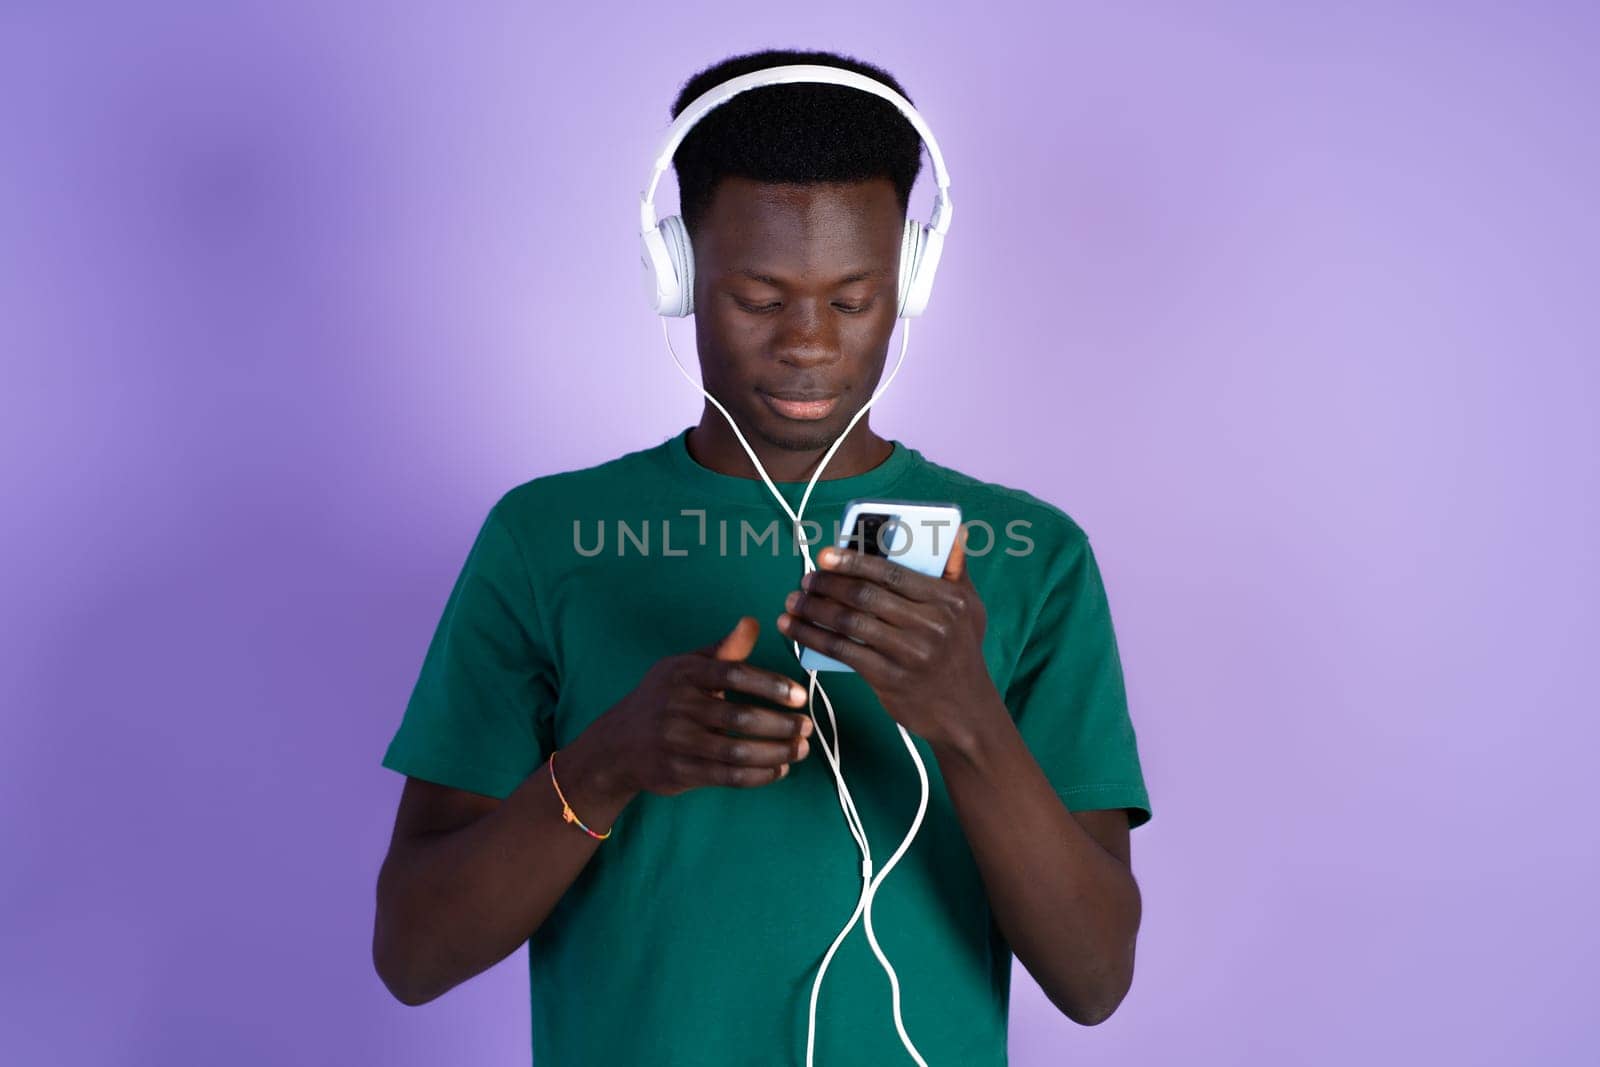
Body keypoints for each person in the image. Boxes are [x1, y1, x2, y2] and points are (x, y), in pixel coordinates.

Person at [372, 47, 1153, 1067]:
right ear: (678, 274)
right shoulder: (545, 537)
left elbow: (1094, 978)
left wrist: (966, 719)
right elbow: (413, 951)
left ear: (908, 281)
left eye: (853, 297)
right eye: (758, 296)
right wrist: (609, 762)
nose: (808, 343)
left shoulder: (1032, 555)